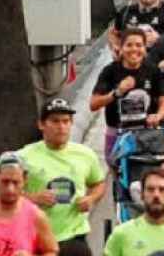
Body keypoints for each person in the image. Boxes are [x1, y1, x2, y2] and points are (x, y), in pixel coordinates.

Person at [18, 97, 108, 256]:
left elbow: (98, 183)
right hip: (38, 238)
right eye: (55, 121)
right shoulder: (24, 156)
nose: (61, 127)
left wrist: (91, 199)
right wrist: (33, 198)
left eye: (66, 121)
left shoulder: (85, 154)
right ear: (41, 124)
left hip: (74, 237)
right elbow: (6, 195)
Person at [91, 28, 160, 160]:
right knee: (118, 173)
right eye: (129, 45)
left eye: (139, 45)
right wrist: (117, 92)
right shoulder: (110, 71)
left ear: (145, 48)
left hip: (146, 132)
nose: (134, 49)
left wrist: (158, 116)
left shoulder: (152, 70)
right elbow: (93, 104)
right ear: (121, 48)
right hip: (117, 132)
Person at [103, 169, 164, 256]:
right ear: (142, 195)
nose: (156, 195)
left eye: (162, 189)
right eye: (150, 189)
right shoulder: (121, 234)